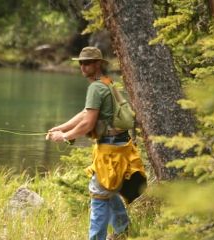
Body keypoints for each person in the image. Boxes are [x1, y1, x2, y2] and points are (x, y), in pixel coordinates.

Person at [46, 46, 146, 240]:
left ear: (99, 64)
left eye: (88, 62)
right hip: (121, 146)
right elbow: (86, 113)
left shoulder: (95, 87)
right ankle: (122, 232)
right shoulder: (106, 82)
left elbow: (88, 123)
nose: (83, 66)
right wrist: (62, 128)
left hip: (110, 150)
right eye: (81, 63)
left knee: (99, 196)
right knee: (110, 189)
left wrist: (64, 137)